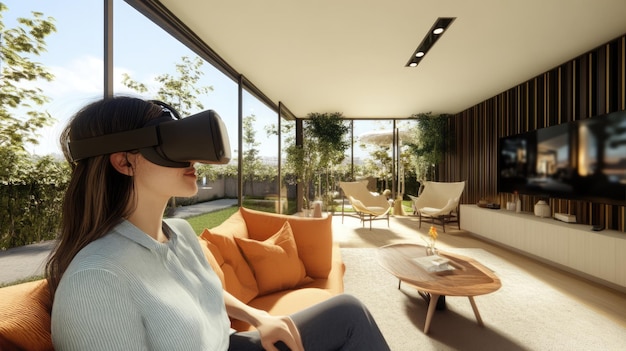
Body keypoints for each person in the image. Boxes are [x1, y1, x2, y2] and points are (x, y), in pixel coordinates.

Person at [46, 96, 390, 351]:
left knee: (348, 313)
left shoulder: (178, 233)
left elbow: (204, 287)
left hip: (232, 344)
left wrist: (259, 318)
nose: (193, 157)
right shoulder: (95, 282)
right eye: (170, 142)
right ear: (124, 162)